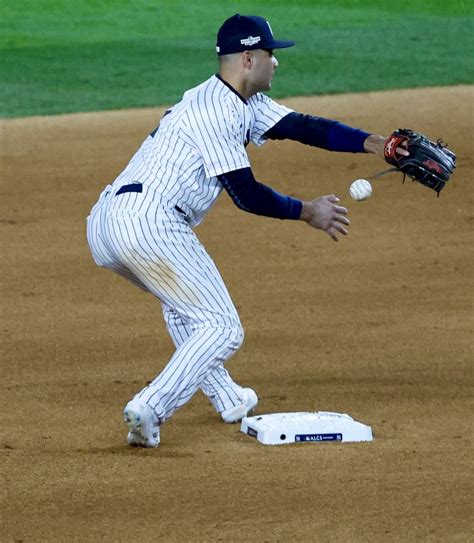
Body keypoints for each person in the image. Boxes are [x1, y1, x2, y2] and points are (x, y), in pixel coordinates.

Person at [86, 14, 405, 448]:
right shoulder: (216, 112)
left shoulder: (240, 101)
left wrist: (375, 144)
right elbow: (246, 194)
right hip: (148, 221)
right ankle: (151, 407)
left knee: (183, 309)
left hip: (109, 222)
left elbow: (303, 126)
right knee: (223, 327)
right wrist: (306, 212)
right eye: (272, 55)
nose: (277, 63)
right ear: (249, 58)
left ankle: (228, 397)